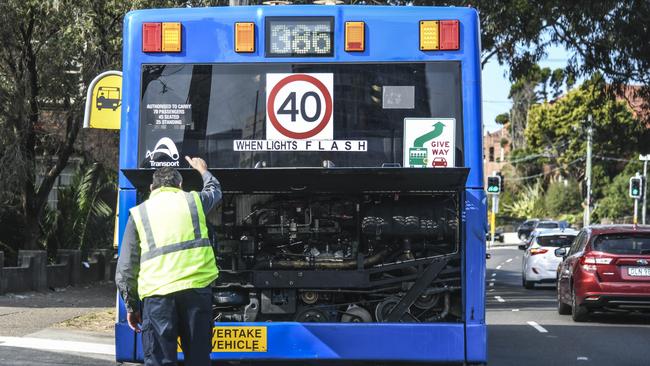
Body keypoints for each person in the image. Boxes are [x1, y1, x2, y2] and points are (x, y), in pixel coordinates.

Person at [116, 156, 221, 366]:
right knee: (198, 359)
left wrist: (131, 306)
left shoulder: (139, 213)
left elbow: (126, 267)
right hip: (196, 293)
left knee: (159, 360)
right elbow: (215, 192)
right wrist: (202, 170)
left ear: (151, 187)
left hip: (157, 298)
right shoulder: (194, 201)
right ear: (180, 185)